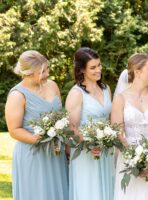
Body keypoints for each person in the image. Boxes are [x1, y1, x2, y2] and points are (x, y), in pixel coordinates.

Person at [5, 50, 68, 200]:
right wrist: (39, 138)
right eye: (42, 71)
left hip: (56, 153)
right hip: (34, 155)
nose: (47, 74)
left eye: (47, 69)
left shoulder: (52, 86)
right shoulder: (17, 95)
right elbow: (14, 130)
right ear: (28, 72)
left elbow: (61, 115)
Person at [112, 53, 148, 200]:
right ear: (137, 71)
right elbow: (118, 135)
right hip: (128, 162)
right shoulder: (120, 99)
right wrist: (134, 161)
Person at [66, 47, 115, 200]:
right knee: (89, 191)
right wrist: (90, 143)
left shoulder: (106, 89)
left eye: (99, 65)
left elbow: (109, 119)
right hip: (85, 151)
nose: (98, 70)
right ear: (81, 70)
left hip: (105, 149)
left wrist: (105, 140)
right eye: (93, 67)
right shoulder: (76, 93)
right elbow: (71, 127)